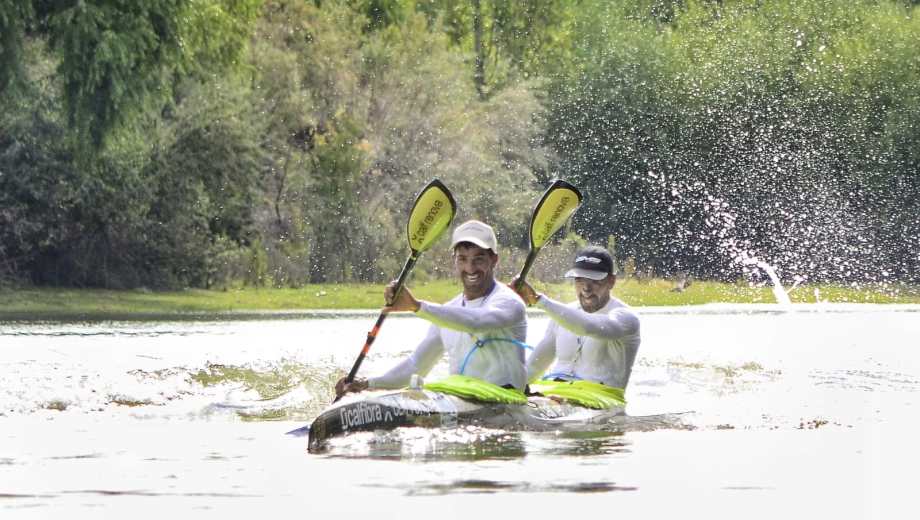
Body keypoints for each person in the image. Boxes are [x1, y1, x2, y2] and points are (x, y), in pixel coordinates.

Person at [335, 220, 528, 398]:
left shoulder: (510, 303)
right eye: (462, 259)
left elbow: (477, 322)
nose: (470, 268)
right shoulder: (448, 312)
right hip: (460, 398)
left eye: (478, 259)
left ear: (494, 260)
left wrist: (417, 307)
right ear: (454, 260)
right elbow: (416, 365)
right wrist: (366, 384)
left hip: (506, 400)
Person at [512, 245, 640, 390]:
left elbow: (589, 327)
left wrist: (538, 300)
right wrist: (512, 387)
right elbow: (535, 366)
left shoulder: (626, 318)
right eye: (579, 279)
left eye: (594, 280)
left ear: (611, 281)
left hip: (598, 398)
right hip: (552, 391)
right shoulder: (562, 315)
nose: (586, 288)